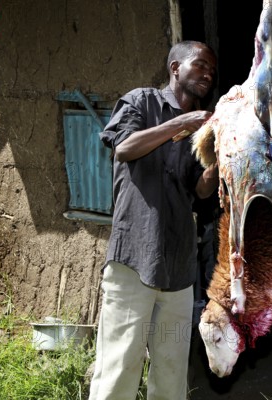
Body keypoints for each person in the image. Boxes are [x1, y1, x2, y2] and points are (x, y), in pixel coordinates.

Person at [88, 41, 218, 400]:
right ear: (175, 68)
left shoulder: (199, 131)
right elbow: (124, 147)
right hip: (134, 261)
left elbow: (201, 190)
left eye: (212, 68)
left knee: (172, 372)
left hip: (178, 272)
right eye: (200, 65)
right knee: (119, 367)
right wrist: (180, 122)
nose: (208, 73)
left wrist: (221, 159)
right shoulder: (141, 102)